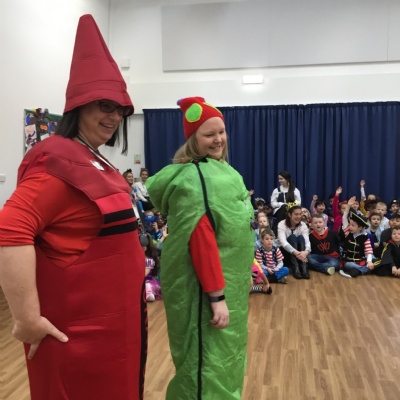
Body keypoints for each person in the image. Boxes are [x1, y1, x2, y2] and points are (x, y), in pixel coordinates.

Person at [0, 15, 146, 400]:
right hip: (81, 339)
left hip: (114, 332)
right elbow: (10, 228)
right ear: (79, 106)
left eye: (120, 109)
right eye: (104, 106)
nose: (114, 117)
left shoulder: (94, 158)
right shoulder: (57, 160)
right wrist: (26, 319)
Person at [146, 96, 254, 400]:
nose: (218, 139)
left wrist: (245, 271)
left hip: (228, 283)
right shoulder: (197, 180)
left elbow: (234, 232)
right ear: (193, 139)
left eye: (221, 131)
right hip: (205, 292)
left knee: (226, 360)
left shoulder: (221, 171)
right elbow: (200, 240)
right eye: (209, 134)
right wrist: (217, 297)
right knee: (205, 366)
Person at [339, 197, 374, 278]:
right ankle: (363, 270)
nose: (350, 227)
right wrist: (348, 206)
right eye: (350, 224)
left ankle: (357, 271)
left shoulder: (365, 237)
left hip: (360, 261)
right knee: (348, 264)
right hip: (349, 261)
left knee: (373, 259)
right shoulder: (348, 233)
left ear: (360, 227)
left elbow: (369, 251)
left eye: (353, 225)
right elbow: (344, 218)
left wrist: (369, 262)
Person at [277, 204, 310, 279]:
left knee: (301, 237)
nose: (298, 216)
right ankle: (296, 268)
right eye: (296, 214)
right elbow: (283, 243)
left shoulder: (303, 225)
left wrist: (306, 252)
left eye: (300, 214)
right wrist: (296, 252)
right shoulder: (281, 224)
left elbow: (307, 242)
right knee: (292, 237)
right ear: (289, 215)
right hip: (284, 253)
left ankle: (304, 269)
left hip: (300, 255)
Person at [140, 233, 162, 301]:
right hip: (140, 282)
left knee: (148, 287)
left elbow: (145, 274)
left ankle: (149, 294)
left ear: (144, 248)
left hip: (148, 282)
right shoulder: (137, 259)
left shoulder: (149, 261)